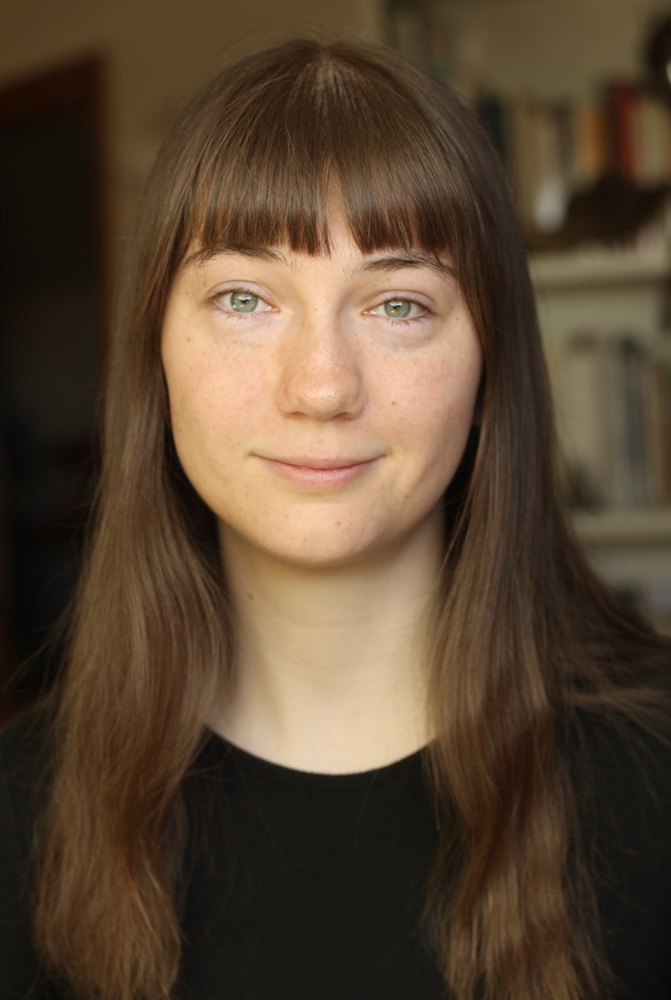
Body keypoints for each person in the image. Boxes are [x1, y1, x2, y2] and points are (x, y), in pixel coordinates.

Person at [1, 38, 669, 1000]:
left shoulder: (655, 771)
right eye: (243, 297)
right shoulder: (20, 808)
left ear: (489, 371)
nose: (320, 386)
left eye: (398, 305)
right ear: (155, 356)